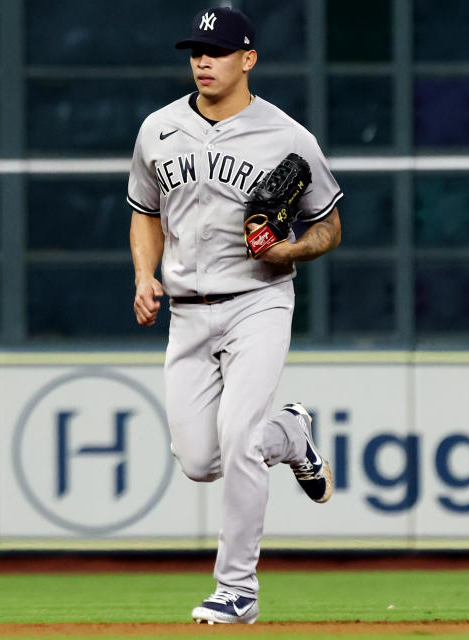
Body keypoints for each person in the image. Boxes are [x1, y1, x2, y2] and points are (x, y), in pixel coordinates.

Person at [127, 6, 343, 625]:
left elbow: (327, 224)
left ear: (247, 59)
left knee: (240, 439)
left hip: (258, 300)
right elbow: (144, 210)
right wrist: (145, 274)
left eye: (217, 50)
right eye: (196, 49)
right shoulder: (158, 130)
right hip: (188, 313)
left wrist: (291, 248)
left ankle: (237, 588)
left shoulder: (288, 137)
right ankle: (292, 435)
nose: (203, 60)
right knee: (199, 460)